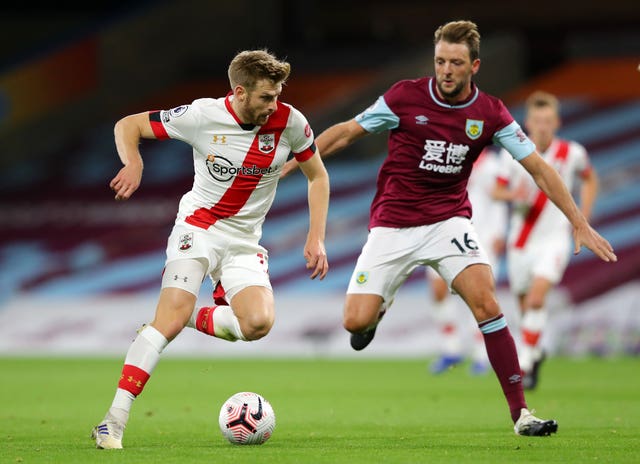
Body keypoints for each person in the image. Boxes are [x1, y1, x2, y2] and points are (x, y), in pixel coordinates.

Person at [281, 20, 616, 436]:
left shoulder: (490, 113)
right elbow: (347, 133)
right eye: (440, 61)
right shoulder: (404, 96)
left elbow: (539, 169)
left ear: (474, 65)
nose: (446, 70)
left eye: (456, 63)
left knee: (487, 304)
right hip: (393, 224)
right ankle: (376, 312)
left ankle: (521, 414)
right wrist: (295, 162)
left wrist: (578, 222)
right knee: (354, 321)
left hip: (448, 222)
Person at [92, 49, 330, 449]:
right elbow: (128, 125)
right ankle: (112, 421)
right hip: (198, 229)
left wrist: (316, 236)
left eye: (277, 95)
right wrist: (133, 163)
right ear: (239, 92)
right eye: (266, 97)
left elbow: (318, 177)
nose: (274, 104)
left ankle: (186, 316)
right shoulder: (201, 116)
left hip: (244, 241)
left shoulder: (291, 122)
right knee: (165, 322)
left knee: (257, 324)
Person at [493, 90, 599, 390]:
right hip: (520, 241)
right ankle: (536, 354)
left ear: (557, 122)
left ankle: (525, 362)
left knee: (538, 298)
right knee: (526, 307)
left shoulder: (572, 153)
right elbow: (496, 191)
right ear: (527, 122)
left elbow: (589, 178)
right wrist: (513, 195)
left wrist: (584, 216)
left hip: (554, 239)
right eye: (537, 120)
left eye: (548, 120)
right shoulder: (511, 152)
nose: (542, 126)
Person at [428, 147, 507, 375]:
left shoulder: (493, 165)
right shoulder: (445, 156)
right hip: (444, 233)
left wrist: (499, 232)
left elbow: (499, 198)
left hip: (481, 236)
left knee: (479, 295)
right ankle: (451, 348)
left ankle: (482, 354)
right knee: (438, 289)